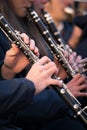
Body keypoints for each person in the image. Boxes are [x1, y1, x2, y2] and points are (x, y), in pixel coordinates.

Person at [0, 0, 87, 130]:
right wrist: (64, 94)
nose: (44, 1)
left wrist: (60, 76)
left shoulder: (26, 26)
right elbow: (18, 111)